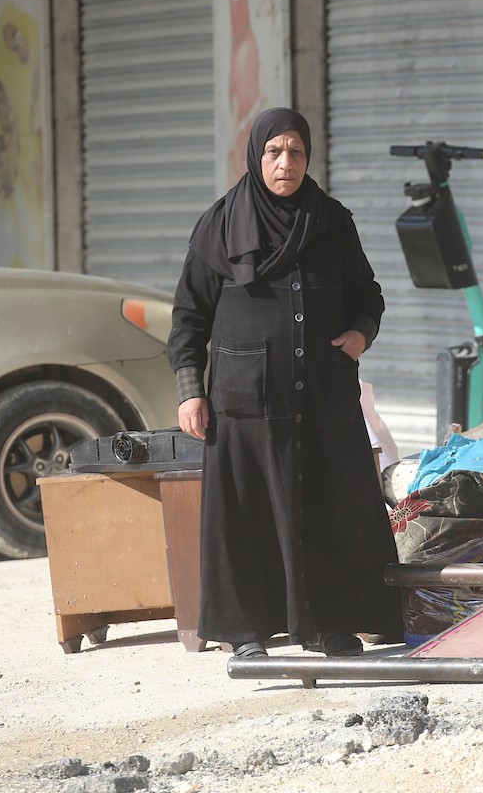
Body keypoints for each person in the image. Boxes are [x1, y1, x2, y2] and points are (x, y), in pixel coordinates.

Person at [167, 107, 403, 659]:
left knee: (329, 512)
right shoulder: (220, 225)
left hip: (323, 399)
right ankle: (248, 633)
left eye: (296, 151)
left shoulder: (331, 220)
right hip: (248, 405)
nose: (286, 163)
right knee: (248, 517)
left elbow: (367, 293)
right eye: (274, 152)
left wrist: (359, 335)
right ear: (255, 156)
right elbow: (189, 317)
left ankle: (331, 626)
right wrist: (189, 389)